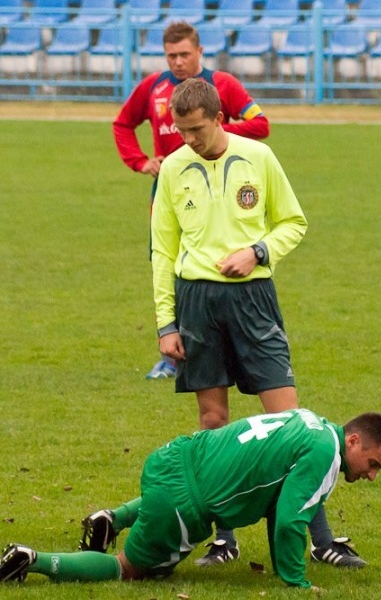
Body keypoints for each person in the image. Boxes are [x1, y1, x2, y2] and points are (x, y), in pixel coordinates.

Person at [144, 76, 362, 568]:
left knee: (293, 423)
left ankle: (321, 541)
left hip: (254, 300)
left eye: (197, 130)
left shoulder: (258, 159)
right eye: (181, 132)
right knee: (213, 423)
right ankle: (225, 539)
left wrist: (258, 251)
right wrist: (166, 323)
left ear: (219, 118)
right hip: (196, 302)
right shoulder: (174, 168)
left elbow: (294, 222)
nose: (189, 141)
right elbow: (162, 251)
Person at [0, 409, 381, 590]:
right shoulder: (327, 454)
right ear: (354, 440)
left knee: (168, 504)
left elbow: (276, 507)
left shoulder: (309, 423)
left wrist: (281, 570)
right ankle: (34, 560)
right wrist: (297, 583)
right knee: (130, 571)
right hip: (184, 503)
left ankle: (114, 516)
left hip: (175, 457)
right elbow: (291, 522)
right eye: (374, 463)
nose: (372, 475)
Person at [112, 21, 270, 381]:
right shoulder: (153, 87)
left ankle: (224, 345)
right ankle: (172, 350)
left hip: (219, 191)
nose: (178, 61)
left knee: (211, 262)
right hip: (169, 190)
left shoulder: (224, 85)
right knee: (165, 261)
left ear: (199, 51)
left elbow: (260, 124)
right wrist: (141, 162)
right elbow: (122, 124)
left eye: (185, 54)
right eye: (171, 55)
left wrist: (215, 131)